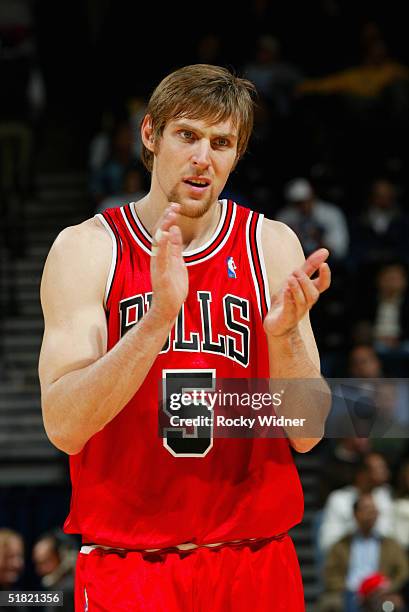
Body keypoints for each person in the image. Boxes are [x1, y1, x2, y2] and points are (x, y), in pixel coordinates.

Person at [38, 64, 331, 611]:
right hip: (129, 567)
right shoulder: (87, 251)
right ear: (150, 134)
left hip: (254, 560)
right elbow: (63, 426)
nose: (204, 158)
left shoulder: (271, 245)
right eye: (188, 135)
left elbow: (308, 431)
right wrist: (155, 321)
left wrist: (286, 337)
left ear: (237, 154)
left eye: (222, 143)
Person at [318, 494, 408, 612]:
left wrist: (388, 587)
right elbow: (330, 573)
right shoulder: (341, 545)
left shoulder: (390, 545)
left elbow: (403, 571)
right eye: (366, 510)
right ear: (356, 514)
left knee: (390, 604)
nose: (371, 514)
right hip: (349, 593)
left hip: (381, 593)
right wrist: (348, 589)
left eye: (374, 510)